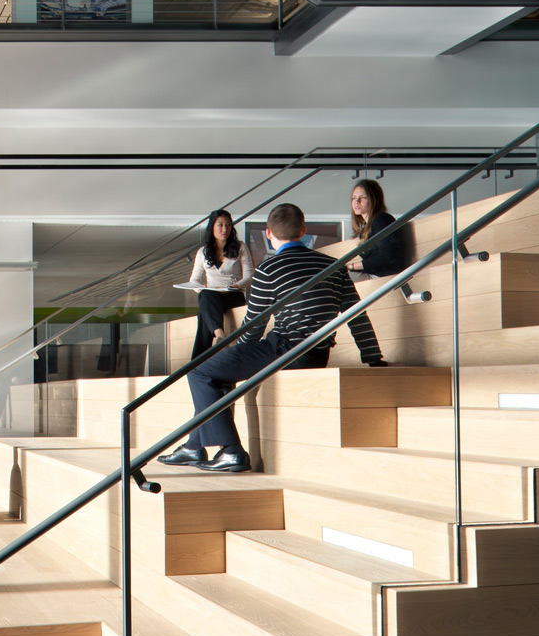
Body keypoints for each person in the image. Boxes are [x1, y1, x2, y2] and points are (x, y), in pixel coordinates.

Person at [156, 203, 387, 474]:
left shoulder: (269, 268)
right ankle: (195, 445)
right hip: (318, 353)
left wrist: (236, 357)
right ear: (303, 231)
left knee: (200, 372)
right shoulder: (333, 266)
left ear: (268, 234)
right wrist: (374, 359)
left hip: (285, 350)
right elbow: (357, 315)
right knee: (220, 373)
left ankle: (231, 452)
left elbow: (253, 328)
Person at [187, 209, 252, 360]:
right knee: (205, 295)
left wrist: (234, 286)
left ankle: (197, 361)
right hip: (211, 296)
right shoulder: (202, 252)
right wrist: (203, 288)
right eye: (220, 225)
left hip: (233, 295)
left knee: (205, 306)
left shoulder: (240, 247)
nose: (225, 229)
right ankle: (221, 337)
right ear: (212, 227)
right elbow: (194, 281)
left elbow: (249, 277)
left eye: (228, 225)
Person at [345, 178, 409, 281]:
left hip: (384, 277)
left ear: (374, 200)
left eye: (363, 197)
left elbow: (387, 257)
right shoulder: (364, 227)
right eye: (354, 198)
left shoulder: (382, 219)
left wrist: (350, 266)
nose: (357, 202)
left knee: (336, 275)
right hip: (373, 275)